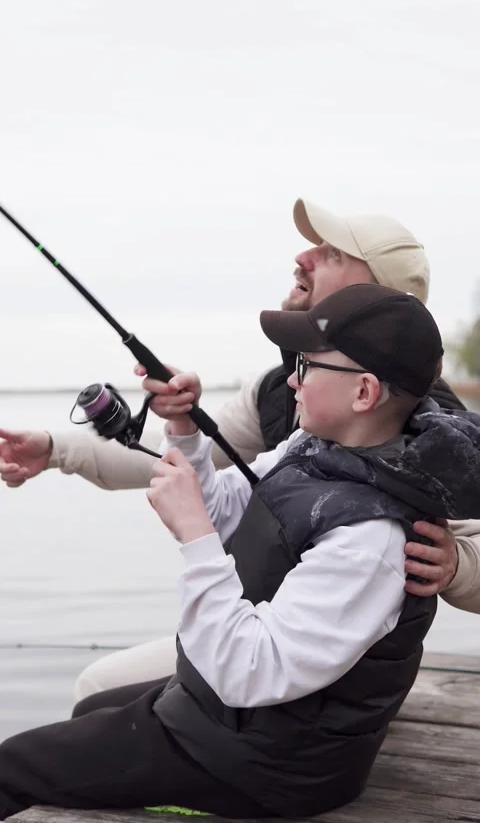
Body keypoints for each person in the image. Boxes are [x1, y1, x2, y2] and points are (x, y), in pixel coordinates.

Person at [2, 283, 480, 821]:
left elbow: (251, 671)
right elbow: (229, 509)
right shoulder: (315, 447)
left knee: (10, 768)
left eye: (307, 365)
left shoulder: (373, 537)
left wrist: (195, 537)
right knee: (92, 706)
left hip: (269, 769)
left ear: (364, 393)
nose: (292, 379)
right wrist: (184, 430)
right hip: (250, 727)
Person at [1, 198, 478, 702]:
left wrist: (460, 563)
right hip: (258, 631)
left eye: (333, 253)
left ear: (379, 296)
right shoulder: (277, 391)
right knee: (99, 689)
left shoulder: (436, 428)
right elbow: (175, 469)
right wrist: (56, 449)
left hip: (322, 681)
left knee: (101, 693)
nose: (304, 257)